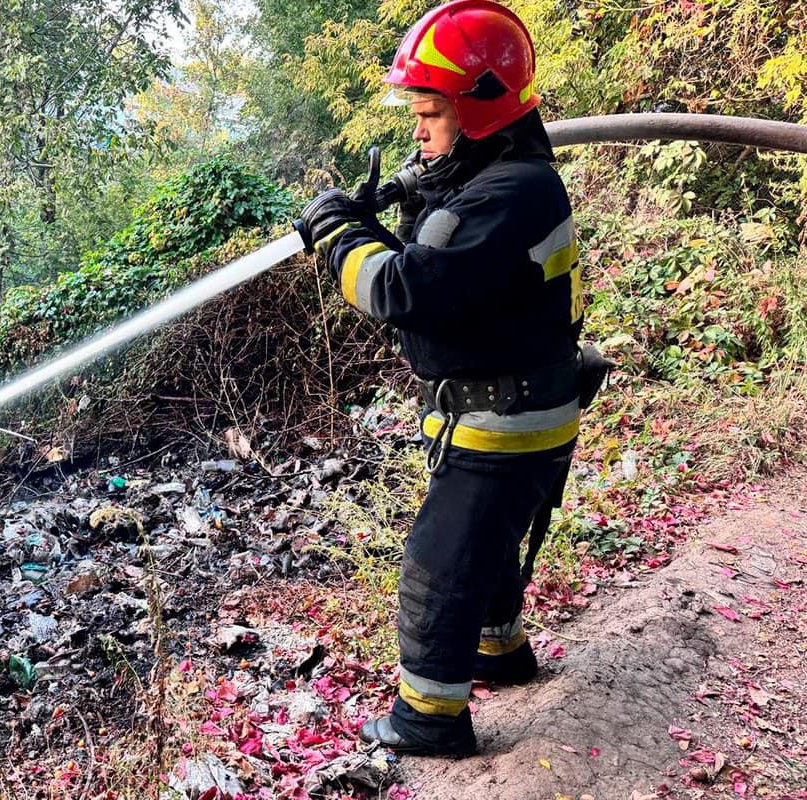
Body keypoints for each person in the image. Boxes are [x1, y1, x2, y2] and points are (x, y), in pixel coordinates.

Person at [298, 0, 594, 757]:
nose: (420, 130)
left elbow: (402, 290)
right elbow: (444, 252)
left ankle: (428, 718)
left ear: (481, 110)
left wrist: (339, 234)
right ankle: (500, 650)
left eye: (432, 112)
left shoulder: (510, 193)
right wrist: (388, 203)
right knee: (484, 542)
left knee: (441, 558)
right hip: (513, 406)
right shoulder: (499, 177)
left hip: (505, 419)